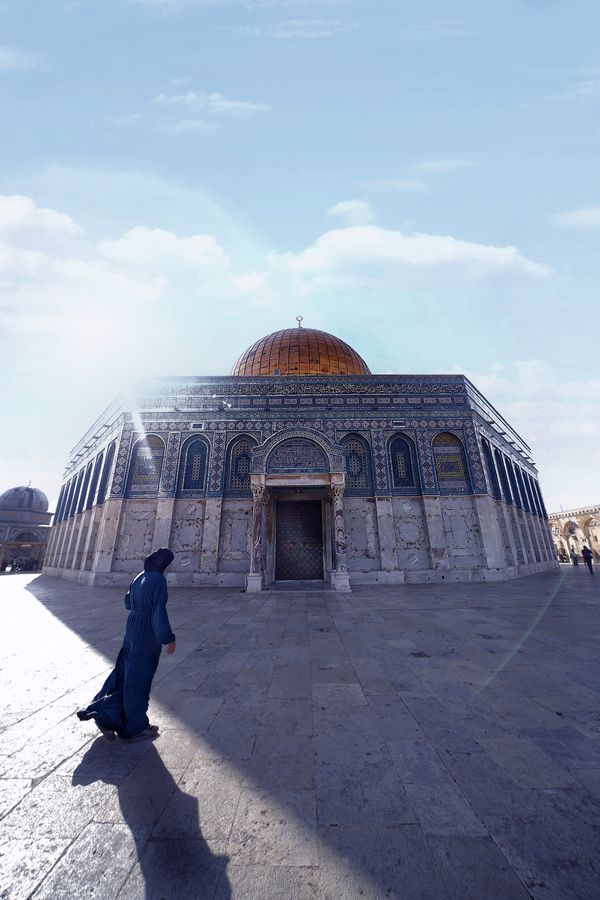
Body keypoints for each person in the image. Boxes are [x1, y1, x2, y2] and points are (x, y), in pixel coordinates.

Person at [77, 548, 176, 742]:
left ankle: (109, 715)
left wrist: (140, 604)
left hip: (131, 628)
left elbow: (128, 602)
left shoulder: (140, 576)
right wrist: (168, 638)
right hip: (146, 631)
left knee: (124, 674)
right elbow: (158, 612)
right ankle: (135, 727)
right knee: (139, 679)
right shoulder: (158, 580)